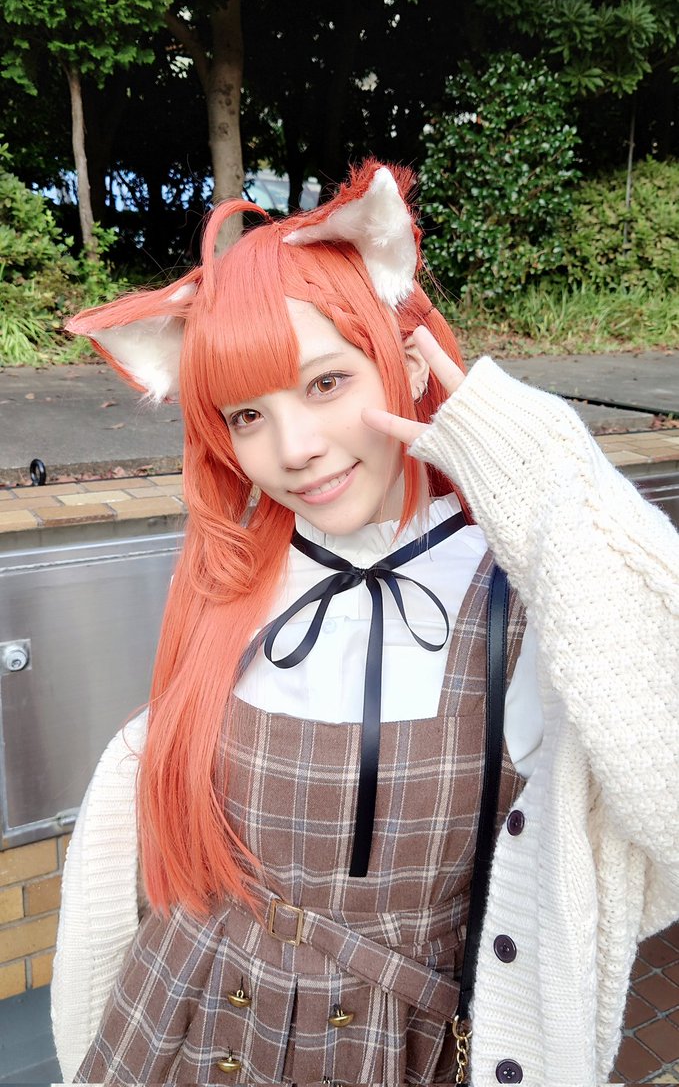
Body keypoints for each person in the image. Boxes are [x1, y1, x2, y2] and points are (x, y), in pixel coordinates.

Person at [52, 162, 679, 1086]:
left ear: (404, 361)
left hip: (398, 1047)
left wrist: (526, 458)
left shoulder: (521, 588)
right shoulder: (233, 574)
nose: (294, 449)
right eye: (247, 414)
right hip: (179, 1018)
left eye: (326, 382)